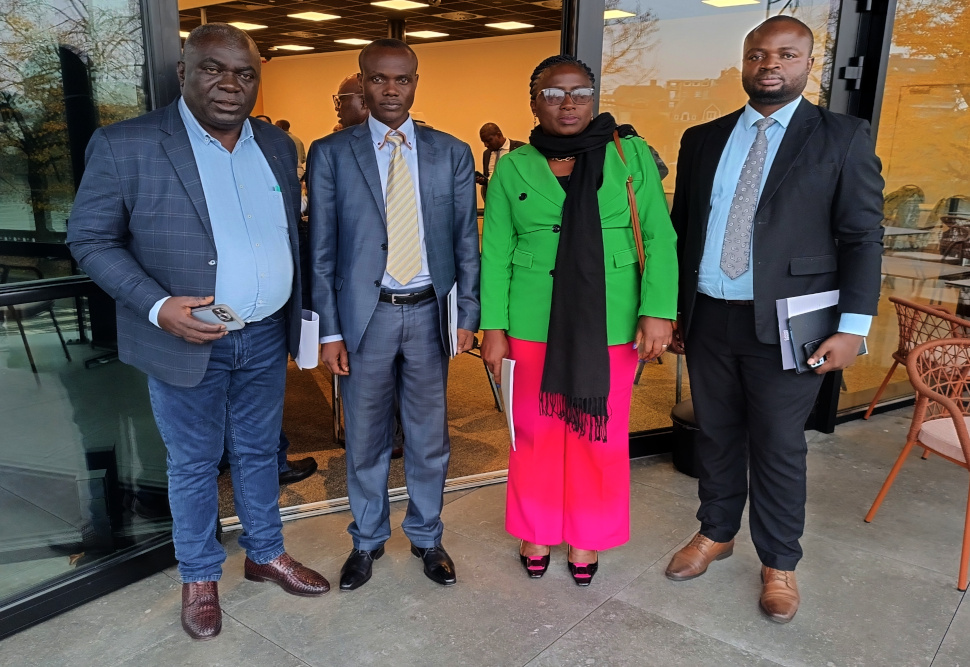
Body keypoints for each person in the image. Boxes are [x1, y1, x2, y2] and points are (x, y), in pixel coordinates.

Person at [66, 23, 330, 641]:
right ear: (183, 73)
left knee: (260, 452)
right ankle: (200, 576)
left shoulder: (275, 144)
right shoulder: (128, 144)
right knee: (193, 463)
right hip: (185, 338)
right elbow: (90, 239)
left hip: (263, 334)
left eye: (245, 73)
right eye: (213, 68)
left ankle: (265, 554)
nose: (230, 84)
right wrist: (158, 307)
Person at [664, 16, 884, 623]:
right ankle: (716, 531)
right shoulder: (702, 139)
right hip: (709, 315)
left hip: (793, 324)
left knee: (779, 444)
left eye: (786, 55)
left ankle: (780, 562)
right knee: (715, 432)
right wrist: (674, 310)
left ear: (808, 64)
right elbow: (684, 230)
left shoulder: (842, 136)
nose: (770, 65)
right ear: (743, 62)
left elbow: (862, 237)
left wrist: (853, 326)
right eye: (758, 54)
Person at [479, 54, 678, 586]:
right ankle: (537, 529)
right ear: (534, 103)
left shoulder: (630, 154)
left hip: (610, 320)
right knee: (535, 431)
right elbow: (494, 252)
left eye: (580, 92)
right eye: (553, 93)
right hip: (530, 320)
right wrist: (493, 327)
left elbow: (659, 236)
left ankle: (588, 533)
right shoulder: (513, 167)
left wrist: (658, 310)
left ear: (593, 98)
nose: (568, 103)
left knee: (598, 432)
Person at [308, 39, 480, 591]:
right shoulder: (332, 153)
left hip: (430, 312)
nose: (389, 89)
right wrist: (330, 329)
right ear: (361, 83)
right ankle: (366, 540)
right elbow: (322, 250)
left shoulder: (450, 152)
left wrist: (467, 314)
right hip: (367, 318)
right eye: (378, 79)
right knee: (365, 438)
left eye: (401, 79)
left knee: (430, 438)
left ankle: (427, 536)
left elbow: (465, 241)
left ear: (415, 83)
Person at [475, 123, 525, 200]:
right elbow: (489, 176)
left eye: (489, 140)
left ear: (499, 135)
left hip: (515, 197)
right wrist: (484, 181)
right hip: (493, 198)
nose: (486, 145)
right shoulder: (486, 154)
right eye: (483, 142)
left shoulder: (520, 148)